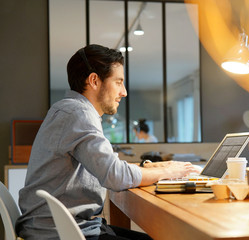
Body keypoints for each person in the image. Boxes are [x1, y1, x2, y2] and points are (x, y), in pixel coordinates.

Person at [16, 44, 198, 240]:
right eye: (118, 82)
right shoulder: (79, 113)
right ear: (94, 80)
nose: (124, 92)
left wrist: (155, 168)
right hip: (61, 232)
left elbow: (106, 167)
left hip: (61, 226)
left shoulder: (68, 110)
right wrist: (169, 172)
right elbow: (115, 176)